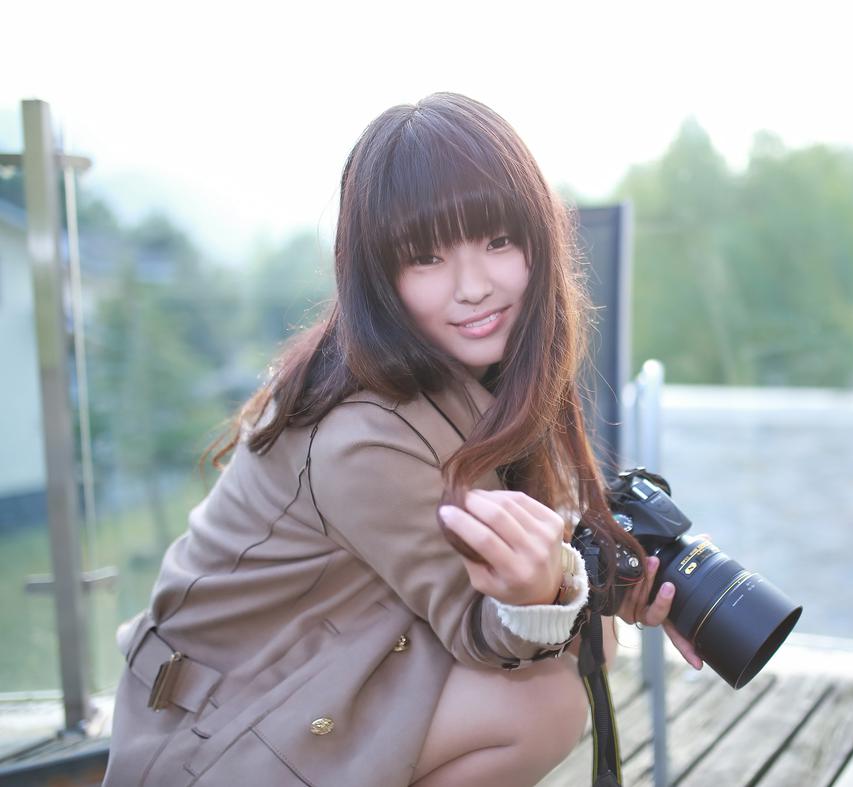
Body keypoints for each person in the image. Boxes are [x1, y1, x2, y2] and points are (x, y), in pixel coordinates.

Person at [102, 92, 700, 787]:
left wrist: (614, 579)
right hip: (212, 736)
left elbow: (491, 566)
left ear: (539, 241)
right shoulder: (362, 434)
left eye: (498, 241)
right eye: (427, 257)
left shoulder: (466, 374)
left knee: (582, 641)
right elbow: (479, 629)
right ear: (378, 276)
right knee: (543, 704)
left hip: (315, 670)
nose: (473, 287)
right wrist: (548, 588)